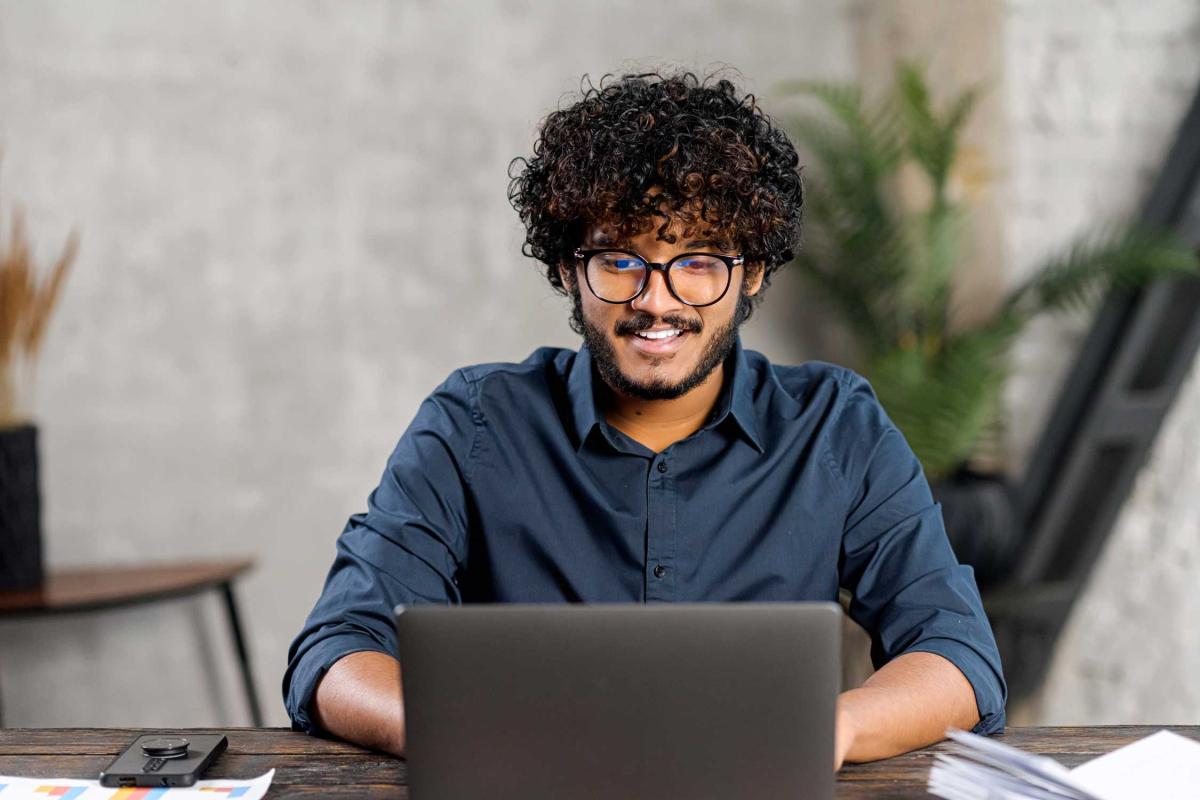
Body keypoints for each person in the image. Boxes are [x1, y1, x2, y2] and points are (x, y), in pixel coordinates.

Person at [283, 70, 1006, 770]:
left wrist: (830, 728)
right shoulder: (473, 422)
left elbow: (956, 654)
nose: (657, 300)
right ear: (568, 269)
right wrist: (466, 736)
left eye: (697, 260)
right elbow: (338, 651)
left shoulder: (836, 427)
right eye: (620, 260)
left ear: (751, 271)